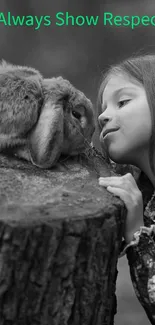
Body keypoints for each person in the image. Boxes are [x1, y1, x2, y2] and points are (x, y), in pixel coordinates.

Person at [97, 54, 155, 324]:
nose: (102, 116)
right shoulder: (143, 196)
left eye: (122, 102)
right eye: (103, 108)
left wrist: (136, 234)